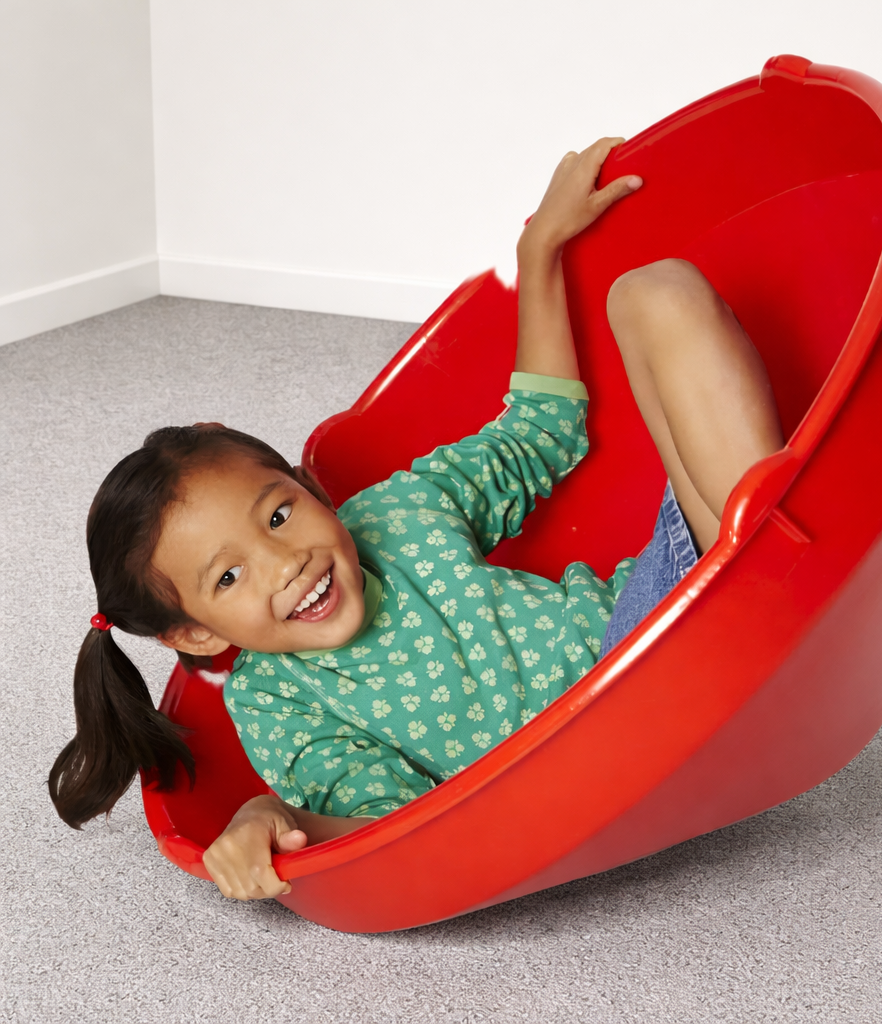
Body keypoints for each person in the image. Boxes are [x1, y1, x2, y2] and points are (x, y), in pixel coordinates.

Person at [50, 138, 783, 901]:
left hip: (652, 625)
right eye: (229, 577)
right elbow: (391, 825)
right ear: (197, 635)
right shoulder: (277, 700)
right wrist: (273, 816)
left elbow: (537, 432)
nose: (285, 562)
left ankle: (773, 556)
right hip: (586, 754)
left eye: (279, 514)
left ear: (305, 486)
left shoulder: (398, 513)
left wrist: (538, 253)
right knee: (705, 573)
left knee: (654, 292)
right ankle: (767, 568)